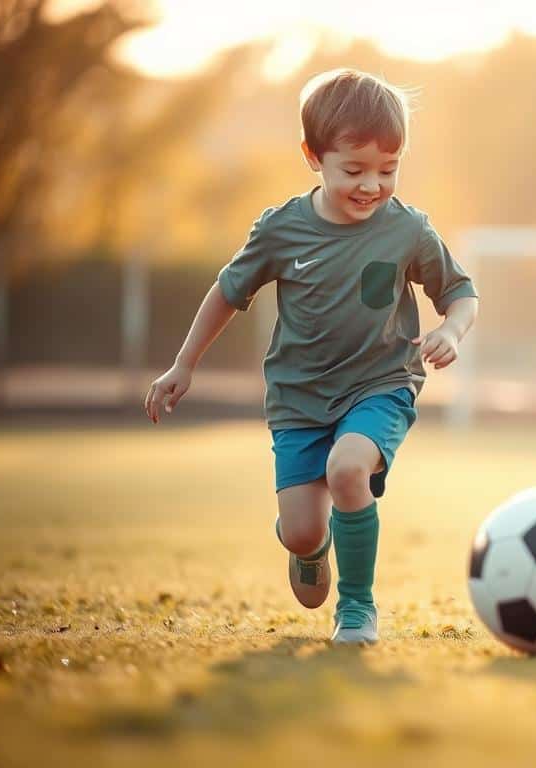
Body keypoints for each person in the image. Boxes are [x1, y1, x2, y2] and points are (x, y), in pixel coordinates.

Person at [145, 68, 478, 646]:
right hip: (299, 399)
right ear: (313, 156)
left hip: (381, 383)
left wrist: (452, 327)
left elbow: (461, 292)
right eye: (354, 169)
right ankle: (310, 542)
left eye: (388, 169)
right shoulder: (281, 229)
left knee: (347, 469)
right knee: (301, 533)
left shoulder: (408, 231)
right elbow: (228, 292)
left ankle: (357, 609)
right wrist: (184, 364)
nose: (371, 185)